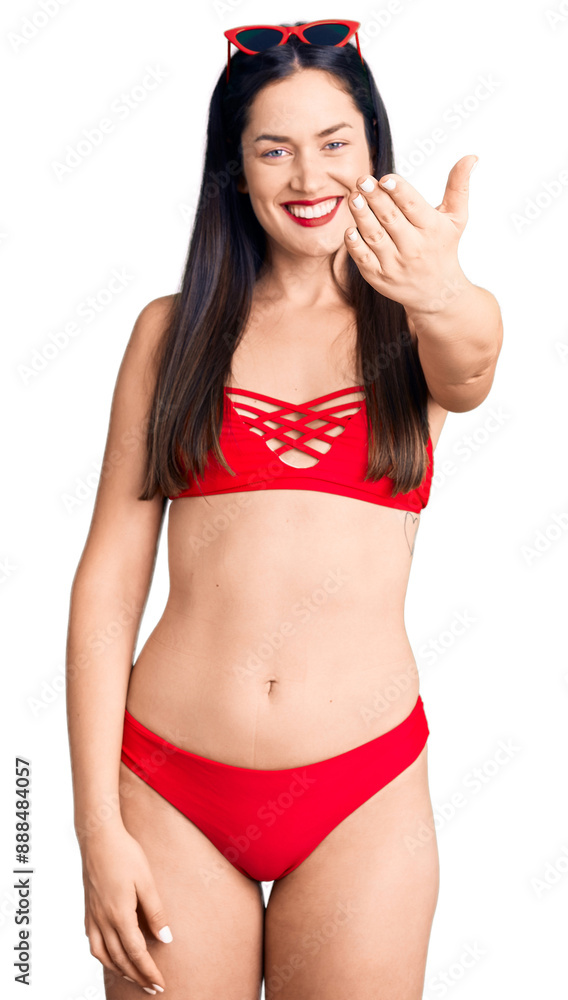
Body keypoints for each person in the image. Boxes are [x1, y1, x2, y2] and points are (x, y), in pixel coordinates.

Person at [66, 20, 503, 1000]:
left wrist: (439, 288)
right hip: (168, 790)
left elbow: (473, 362)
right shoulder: (169, 333)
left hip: (364, 796)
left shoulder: (420, 323)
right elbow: (106, 583)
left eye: (334, 143)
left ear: (372, 150)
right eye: (275, 147)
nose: (308, 175)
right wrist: (96, 825)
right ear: (237, 167)